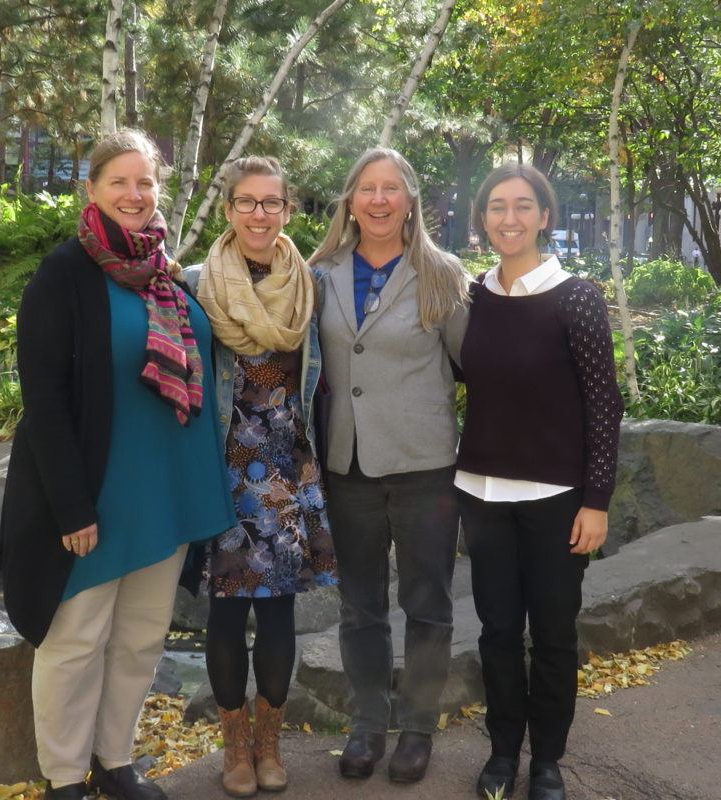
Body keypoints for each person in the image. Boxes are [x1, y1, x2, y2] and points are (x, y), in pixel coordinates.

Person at [0, 129, 236, 800]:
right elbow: (42, 399)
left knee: (139, 640)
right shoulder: (64, 274)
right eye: (118, 182)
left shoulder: (168, 272)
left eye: (145, 182)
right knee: (75, 641)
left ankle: (115, 759)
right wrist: (71, 505)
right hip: (97, 495)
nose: (133, 194)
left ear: (158, 189)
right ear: (93, 189)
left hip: (166, 492)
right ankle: (66, 776)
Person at [458, 163, 623, 800]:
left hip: (557, 501)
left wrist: (597, 501)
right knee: (497, 632)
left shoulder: (574, 296)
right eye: (496, 206)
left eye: (523, 206)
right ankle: (502, 753)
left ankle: (547, 760)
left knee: (553, 634)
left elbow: (603, 404)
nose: (509, 218)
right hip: (482, 494)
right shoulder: (472, 296)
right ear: (483, 219)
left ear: (544, 217)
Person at [308, 147, 469, 784]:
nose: (378, 200)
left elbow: (472, 366)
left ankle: (418, 729)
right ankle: (367, 724)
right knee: (360, 606)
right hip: (346, 463)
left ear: (410, 201)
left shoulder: (441, 273)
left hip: (424, 464)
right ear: (350, 200)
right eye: (366, 189)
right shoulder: (319, 271)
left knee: (428, 602)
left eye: (391, 189)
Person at [183, 156, 335, 797]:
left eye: (271, 203)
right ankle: (234, 748)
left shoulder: (309, 286)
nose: (259, 214)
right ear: (229, 210)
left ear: (287, 212)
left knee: (277, 616)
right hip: (222, 469)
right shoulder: (195, 284)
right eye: (247, 202)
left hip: (287, 471)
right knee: (225, 613)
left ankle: (268, 744)